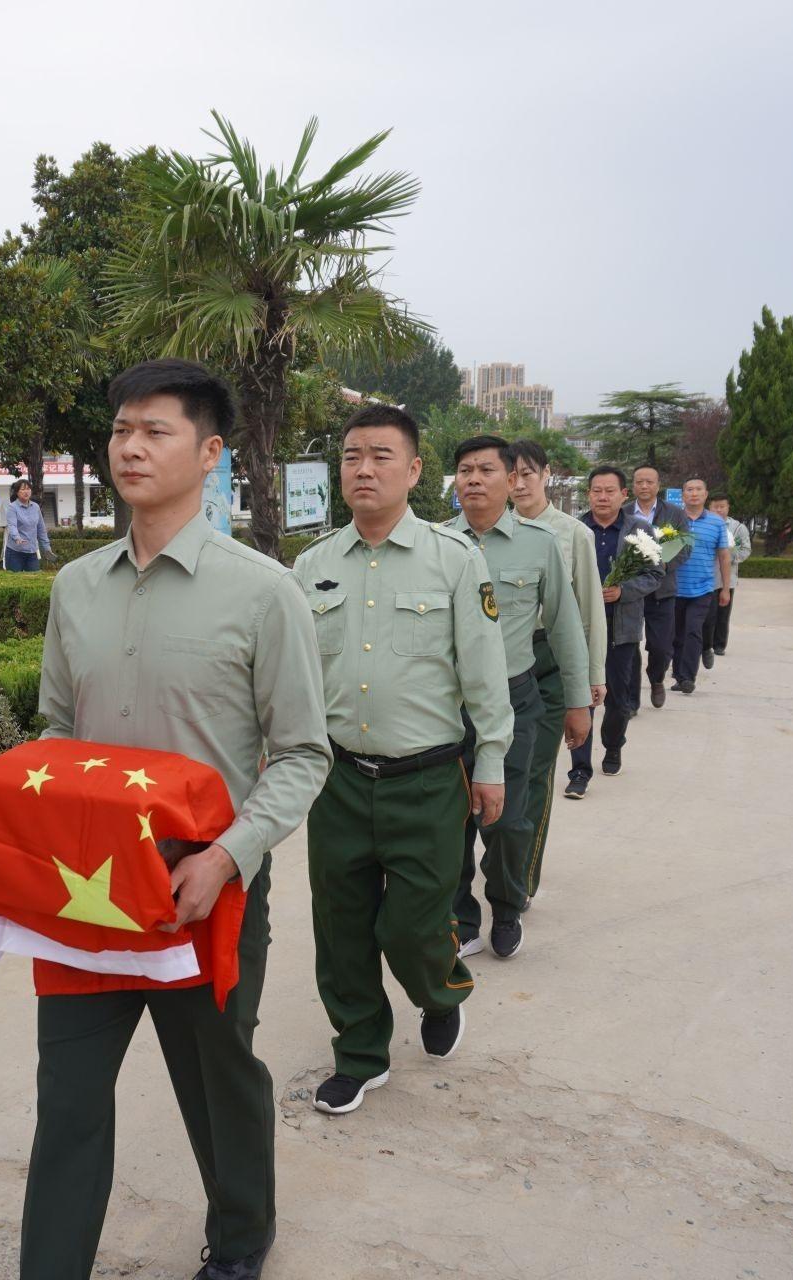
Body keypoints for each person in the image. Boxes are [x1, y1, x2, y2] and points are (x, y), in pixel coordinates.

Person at [27, 359, 331, 1280]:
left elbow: (303, 754)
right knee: (68, 1097)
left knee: (216, 1080)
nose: (130, 446)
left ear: (209, 455)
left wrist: (231, 857)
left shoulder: (262, 591)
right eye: (122, 429)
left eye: (155, 431)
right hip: (89, 888)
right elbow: (52, 730)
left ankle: (240, 1241)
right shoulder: (76, 587)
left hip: (208, 882)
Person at [292, 404, 513, 1118]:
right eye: (352, 455)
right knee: (343, 925)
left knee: (413, 927)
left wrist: (493, 763)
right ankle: (360, 1053)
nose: (364, 468)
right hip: (339, 781)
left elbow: (483, 675)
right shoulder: (313, 565)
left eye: (382, 456)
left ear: (415, 471)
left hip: (428, 781)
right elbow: (291, 677)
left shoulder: (456, 561)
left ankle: (438, 988)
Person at [445, 436, 589, 960]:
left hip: (515, 699)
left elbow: (567, 628)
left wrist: (578, 701)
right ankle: (462, 917)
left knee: (508, 819)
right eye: (465, 470)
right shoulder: (437, 544)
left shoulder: (540, 543)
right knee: (452, 819)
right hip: (448, 708)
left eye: (487, 470)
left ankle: (506, 906)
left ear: (512, 481)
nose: (474, 479)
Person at [572, 466, 665, 783]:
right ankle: (579, 768)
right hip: (580, 628)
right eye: (596, 490)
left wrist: (623, 591)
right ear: (588, 494)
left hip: (620, 628)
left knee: (616, 698)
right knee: (580, 697)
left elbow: (655, 575)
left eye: (609, 490)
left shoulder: (639, 531)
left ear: (624, 495)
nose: (602, 496)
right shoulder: (575, 528)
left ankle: (613, 746)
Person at [624, 466, 688, 709]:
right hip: (631, 590)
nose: (644, 486)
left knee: (661, 647)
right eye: (639, 481)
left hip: (662, 590)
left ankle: (657, 678)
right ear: (633, 485)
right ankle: (630, 701)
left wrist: (663, 565)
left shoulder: (674, 514)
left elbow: (684, 548)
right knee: (628, 644)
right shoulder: (624, 512)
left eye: (649, 482)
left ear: (658, 485)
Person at [667, 478, 732, 696]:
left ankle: (688, 677)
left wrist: (724, 588)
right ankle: (677, 674)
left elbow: (724, 556)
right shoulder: (672, 520)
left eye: (698, 490)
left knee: (693, 631)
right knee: (676, 635)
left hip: (703, 589)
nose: (693, 493)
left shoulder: (716, 523)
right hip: (674, 588)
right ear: (683, 495)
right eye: (689, 490)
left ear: (706, 495)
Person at [704, 493, 751, 659]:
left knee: (722, 614)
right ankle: (705, 644)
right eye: (715, 506)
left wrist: (728, 556)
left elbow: (746, 550)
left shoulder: (738, 528)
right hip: (705, 576)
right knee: (706, 614)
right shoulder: (702, 524)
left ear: (728, 507)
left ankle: (719, 644)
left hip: (726, 579)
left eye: (722, 506)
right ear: (709, 507)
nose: (719, 509)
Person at [2, 479, 54, 571]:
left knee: (34, 579)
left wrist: (47, 547)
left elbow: (41, 529)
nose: (26, 492)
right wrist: (17, 538)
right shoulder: (12, 507)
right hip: (15, 552)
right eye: (23, 489)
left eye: (28, 489)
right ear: (17, 492)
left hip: (32, 551)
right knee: (15, 581)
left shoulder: (36, 507)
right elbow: (12, 526)